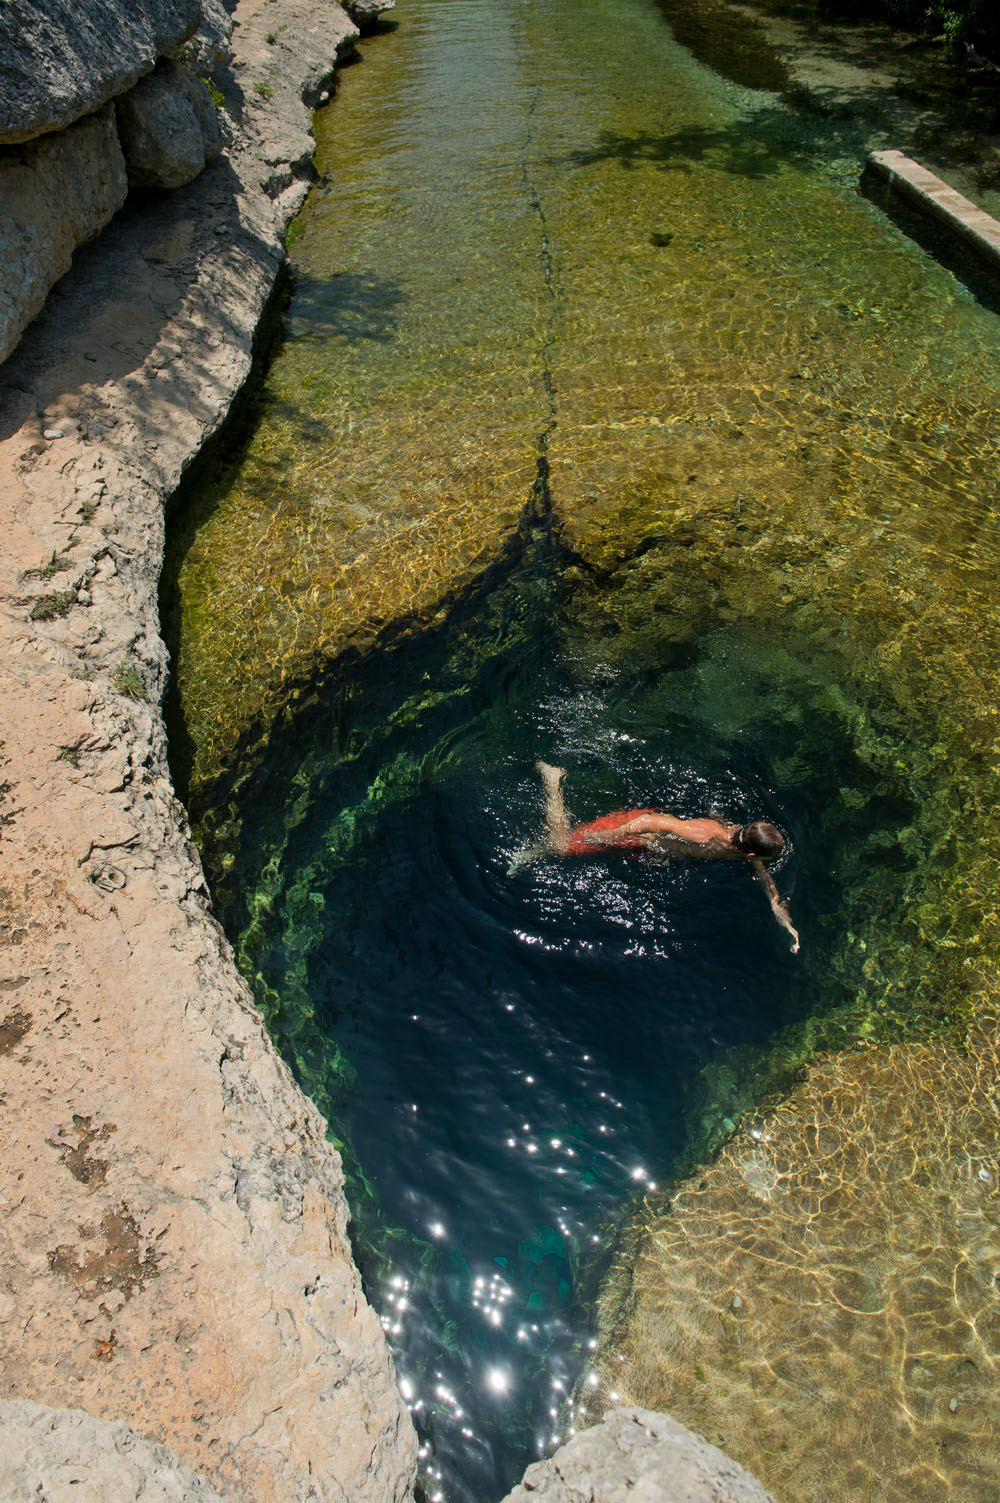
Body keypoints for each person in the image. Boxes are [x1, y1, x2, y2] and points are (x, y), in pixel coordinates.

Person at [535, 761, 800, 954]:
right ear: (753, 853)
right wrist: (610, 837)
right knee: (561, 846)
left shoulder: (739, 846)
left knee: (563, 846)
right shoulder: (705, 835)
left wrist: (786, 923)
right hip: (636, 833)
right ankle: (552, 779)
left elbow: (767, 884)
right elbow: (651, 822)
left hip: (644, 847)